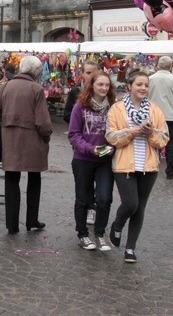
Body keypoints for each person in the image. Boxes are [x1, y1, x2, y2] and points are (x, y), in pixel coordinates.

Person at [106, 70, 168, 264]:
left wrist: (150, 133)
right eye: (139, 84)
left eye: (146, 85)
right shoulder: (117, 109)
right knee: (130, 203)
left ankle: (130, 248)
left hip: (148, 166)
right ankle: (117, 225)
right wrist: (132, 132)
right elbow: (111, 137)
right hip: (125, 164)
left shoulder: (155, 110)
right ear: (130, 86)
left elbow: (164, 139)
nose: (143, 88)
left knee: (140, 208)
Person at [0, 55, 53, 235]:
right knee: (34, 179)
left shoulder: (6, 86)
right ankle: (32, 220)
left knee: (11, 180)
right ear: (37, 72)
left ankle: (12, 225)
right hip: (33, 142)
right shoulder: (36, 89)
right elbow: (43, 122)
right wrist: (46, 137)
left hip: (11, 141)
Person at [68, 71, 116, 252]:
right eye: (100, 85)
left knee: (104, 198)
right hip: (83, 159)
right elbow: (73, 135)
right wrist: (89, 148)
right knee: (83, 199)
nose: (104, 88)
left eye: (106, 85)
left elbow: (118, 132)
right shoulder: (80, 107)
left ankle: (100, 234)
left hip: (105, 160)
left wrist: (114, 146)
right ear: (92, 86)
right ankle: (82, 234)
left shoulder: (113, 107)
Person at [63, 59, 99, 225]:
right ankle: (88, 207)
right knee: (85, 182)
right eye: (88, 72)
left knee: (101, 182)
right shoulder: (75, 93)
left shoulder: (105, 94)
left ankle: (94, 207)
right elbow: (66, 115)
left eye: (94, 72)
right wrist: (79, 120)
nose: (91, 76)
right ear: (82, 74)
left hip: (100, 147)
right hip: (82, 145)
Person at [147, 56, 173, 180]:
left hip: (152, 116)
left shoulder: (149, 79)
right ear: (171, 66)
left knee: (152, 142)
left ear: (158, 65)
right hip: (170, 116)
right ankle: (170, 171)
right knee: (170, 144)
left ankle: (151, 167)